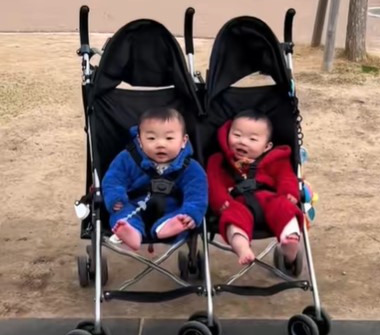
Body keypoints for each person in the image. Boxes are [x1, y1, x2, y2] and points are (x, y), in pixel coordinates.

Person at [102, 107, 207, 251]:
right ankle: (132, 232)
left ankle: (167, 227)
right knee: (121, 214)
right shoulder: (127, 158)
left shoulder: (190, 167)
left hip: (171, 209)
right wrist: (116, 197)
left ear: (183, 141)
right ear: (139, 140)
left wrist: (191, 213)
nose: (160, 144)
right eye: (151, 138)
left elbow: (197, 194)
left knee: (183, 217)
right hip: (134, 205)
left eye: (169, 138)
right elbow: (114, 179)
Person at [207, 110, 303, 266]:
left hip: (269, 199)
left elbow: (286, 177)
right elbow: (214, 183)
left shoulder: (276, 159)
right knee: (232, 217)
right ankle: (242, 247)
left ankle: (289, 240)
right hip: (237, 202)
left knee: (285, 207)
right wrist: (221, 201)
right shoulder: (219, 161)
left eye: (252, 139)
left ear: (267, 147)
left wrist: (289, 192)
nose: (242, 142)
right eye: (237, 135)